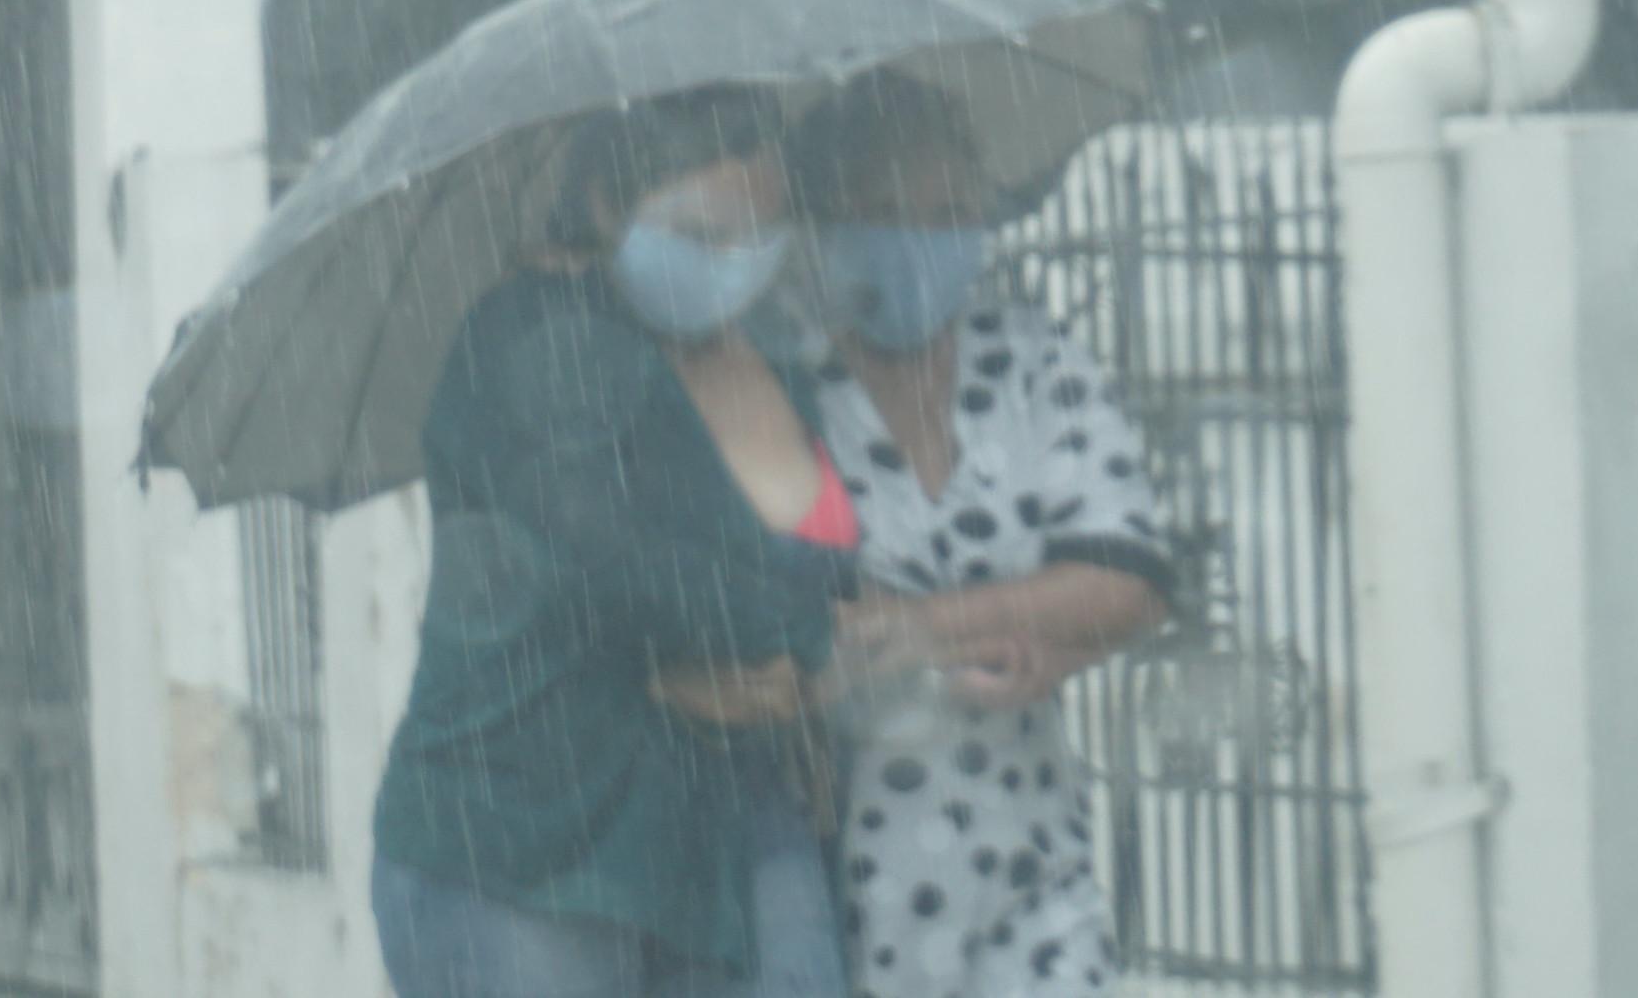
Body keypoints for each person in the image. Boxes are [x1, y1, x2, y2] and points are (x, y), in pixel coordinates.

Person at [369, 86, 861, 998]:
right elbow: (608, 555)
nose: (735, 259)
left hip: (724, 841)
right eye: (702, 231)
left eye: (762, 231)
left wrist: (796, 665)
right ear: (604, 205)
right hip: (527, 848)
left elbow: (822, 568)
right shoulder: (532, 334)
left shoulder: (775, 361)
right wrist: (794, 640)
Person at [795, 69, 1172, 997]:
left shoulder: (1030, 356)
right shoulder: (786, 385)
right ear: (827, 223)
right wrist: (1028, 615)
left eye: (951, 210)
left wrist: (925, 626)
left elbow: (1128, 577)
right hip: (853, 881)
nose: (923, 237)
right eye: (888, 211)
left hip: (1031, 862)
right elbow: (811, 629)